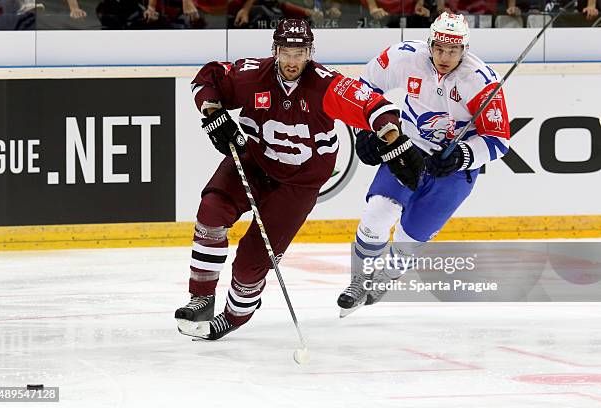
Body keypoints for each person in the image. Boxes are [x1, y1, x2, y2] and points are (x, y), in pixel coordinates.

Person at [175, 18, 424, 340]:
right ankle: (201, 297)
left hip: (299, 183)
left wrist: (393, 137)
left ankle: (235, 316)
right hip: (253, 162)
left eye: (300, 52)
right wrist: (213, 113)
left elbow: (371, 105)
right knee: (211, 211)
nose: (293, 61)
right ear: (275, 50)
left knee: (252, 262)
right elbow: (208, 77)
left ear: (310, 52)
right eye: (286, 52)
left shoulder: (327, 85)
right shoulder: (250, 75)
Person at [337, 12, 511, 316]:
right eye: (439, 48)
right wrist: (367, 128)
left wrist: (462, 156)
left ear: (464, 50)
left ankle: (387, 277)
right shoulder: (404, 56)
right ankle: (359, 278)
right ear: (429, 43)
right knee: (378, 212)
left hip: (453, 171)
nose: (445, 56)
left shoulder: (482, 82)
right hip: (409, 149)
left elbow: (498, 141)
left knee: (410, 238)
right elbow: (363, 88)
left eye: (453, 50)